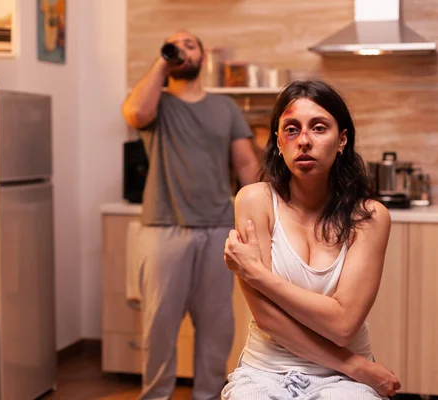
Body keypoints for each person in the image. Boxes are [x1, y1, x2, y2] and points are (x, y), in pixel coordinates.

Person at [221, 79, 401, 399]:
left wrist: (256, 274)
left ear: (342, 139)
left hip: (342, 380)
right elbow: (267, 318)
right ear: (278, 141)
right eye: (291, 129)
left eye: (318, 128)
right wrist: (357, 366)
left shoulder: (370, 217)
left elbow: (343, 326)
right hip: (265, 371)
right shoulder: (254, 200)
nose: (304, 140)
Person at [121, 30, 260, 400]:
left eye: (191, 45)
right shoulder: (157, 105)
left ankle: (209, 396)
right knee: (159, 327)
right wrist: (163, 62)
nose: (183, 49)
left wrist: (267, 217)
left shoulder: (225, 108)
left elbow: (247, 163)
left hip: (218, 229)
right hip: (164, 229)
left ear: (202, 57)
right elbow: (135, 113)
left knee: (217, 329)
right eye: (175, 45)